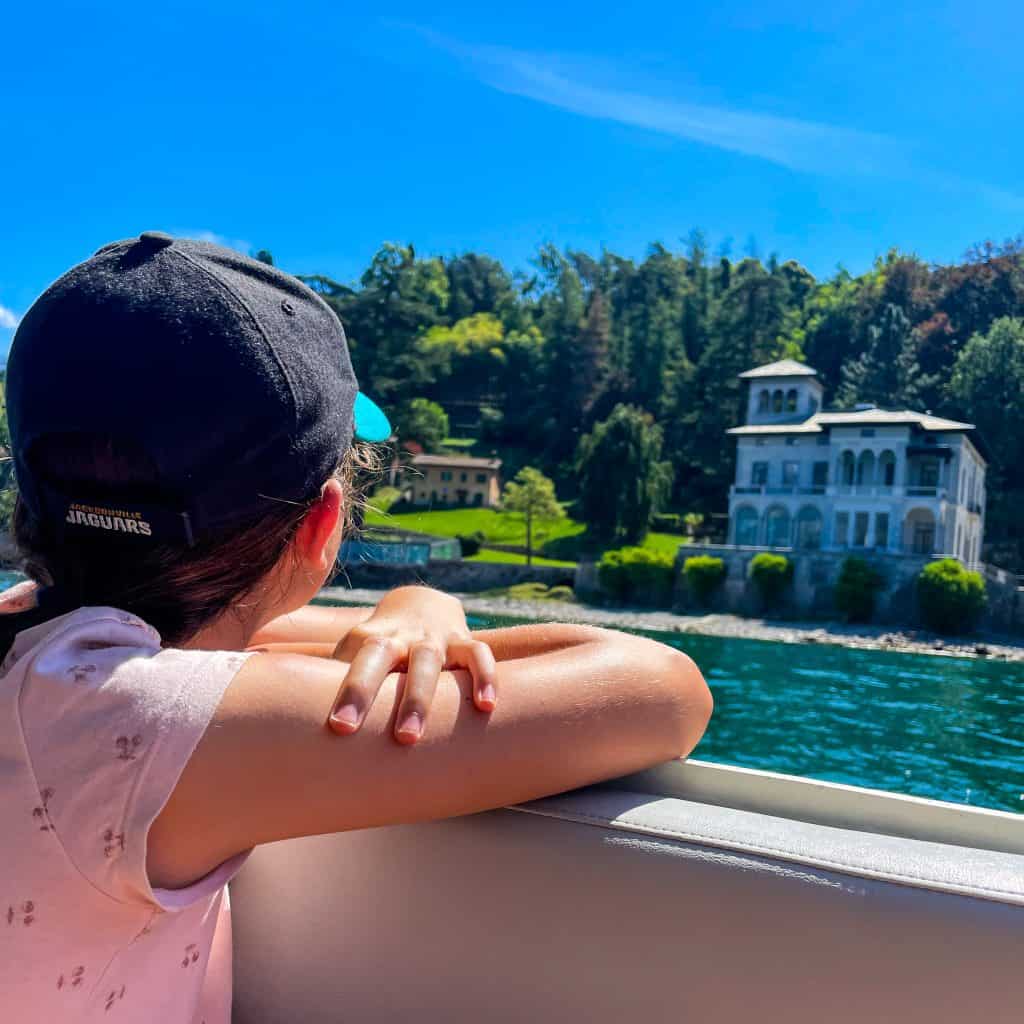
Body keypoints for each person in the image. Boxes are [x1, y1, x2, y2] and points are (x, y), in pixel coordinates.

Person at [0, 233, 712, 1022]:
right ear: (323, 526)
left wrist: (415, 610)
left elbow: (231, 638)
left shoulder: (30, 641)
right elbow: (665, 690)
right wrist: (419, 609)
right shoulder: (143, 727)